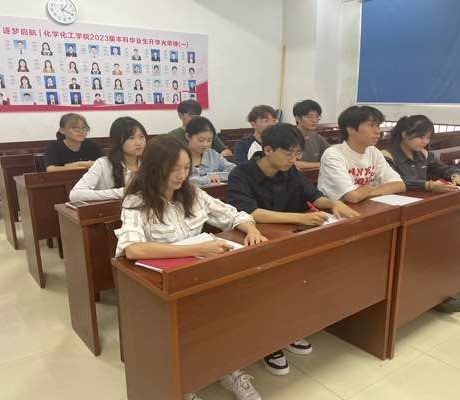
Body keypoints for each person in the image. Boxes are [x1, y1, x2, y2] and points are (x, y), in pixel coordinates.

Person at [114, 135, 266, 400]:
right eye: (173, 169)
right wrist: (196, 249)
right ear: (154, 167)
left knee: (226, 318)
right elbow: (133, 249)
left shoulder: (192, 193)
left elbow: (233, 214)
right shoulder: (137, 201)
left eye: (186, 167)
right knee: (183, 335)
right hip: (163, 285)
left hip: (201, 274)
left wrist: (251, 230)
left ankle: (229, 369)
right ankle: (184, 385)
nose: (181, 175)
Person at [227, 123, 360, 377]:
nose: (293, 159)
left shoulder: (291, 172)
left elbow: (313, 195)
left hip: (290, 242)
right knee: (269, 294)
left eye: (297, 153)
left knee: (299, 285)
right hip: (257, 245)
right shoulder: (241, 174)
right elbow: (250, 212)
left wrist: (334, 204)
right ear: (268, 150)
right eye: (288, 153)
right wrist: (299, 218)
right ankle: (269, 345)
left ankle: (288, 331)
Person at [381, 114, 460, 313]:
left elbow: (444, 168)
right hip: (397, 210)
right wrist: (429, 185)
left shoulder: (424, 154)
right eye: (421, 137)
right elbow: (398, 182)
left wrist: (455, 175)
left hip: (421, 208)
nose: (425, 142)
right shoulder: (386, 155)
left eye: (428, 137)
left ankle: (436, 292)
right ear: (405, 134)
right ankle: (421, 294)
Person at [318, 105, 406, 204]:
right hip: (336, 209)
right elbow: (353, 197)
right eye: (371, 125)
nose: (378, 131)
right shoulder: (333, 154)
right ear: (351, 129)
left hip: (365, 204)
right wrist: (373, 186)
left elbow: (399, 185)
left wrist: (366, 191)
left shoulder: (373, 151)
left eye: (378, 125)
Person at [70, 117, 147, 201]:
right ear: (117, 140)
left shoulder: (149, 162)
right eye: (131, 138)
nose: (138, 142)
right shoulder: (103, 164)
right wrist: (123, 192)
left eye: (141, 136)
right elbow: (75, 195)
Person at [186, 116, 236, 187]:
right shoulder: (180, 157)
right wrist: (207, 178)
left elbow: (235, 171)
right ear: (188, 136)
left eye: (209, 140)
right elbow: (183, 181)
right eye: (201, 140)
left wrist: (215, 175)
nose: (205, 145)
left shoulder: (213, 154)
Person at [293, 100, 330, 169]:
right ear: (298, 118)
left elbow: (332, 153)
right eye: (309, 117)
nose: (314, 120)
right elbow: (291, 163)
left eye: (317, 117)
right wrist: (320, 165)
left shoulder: (317, 138)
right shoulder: (289, 136)